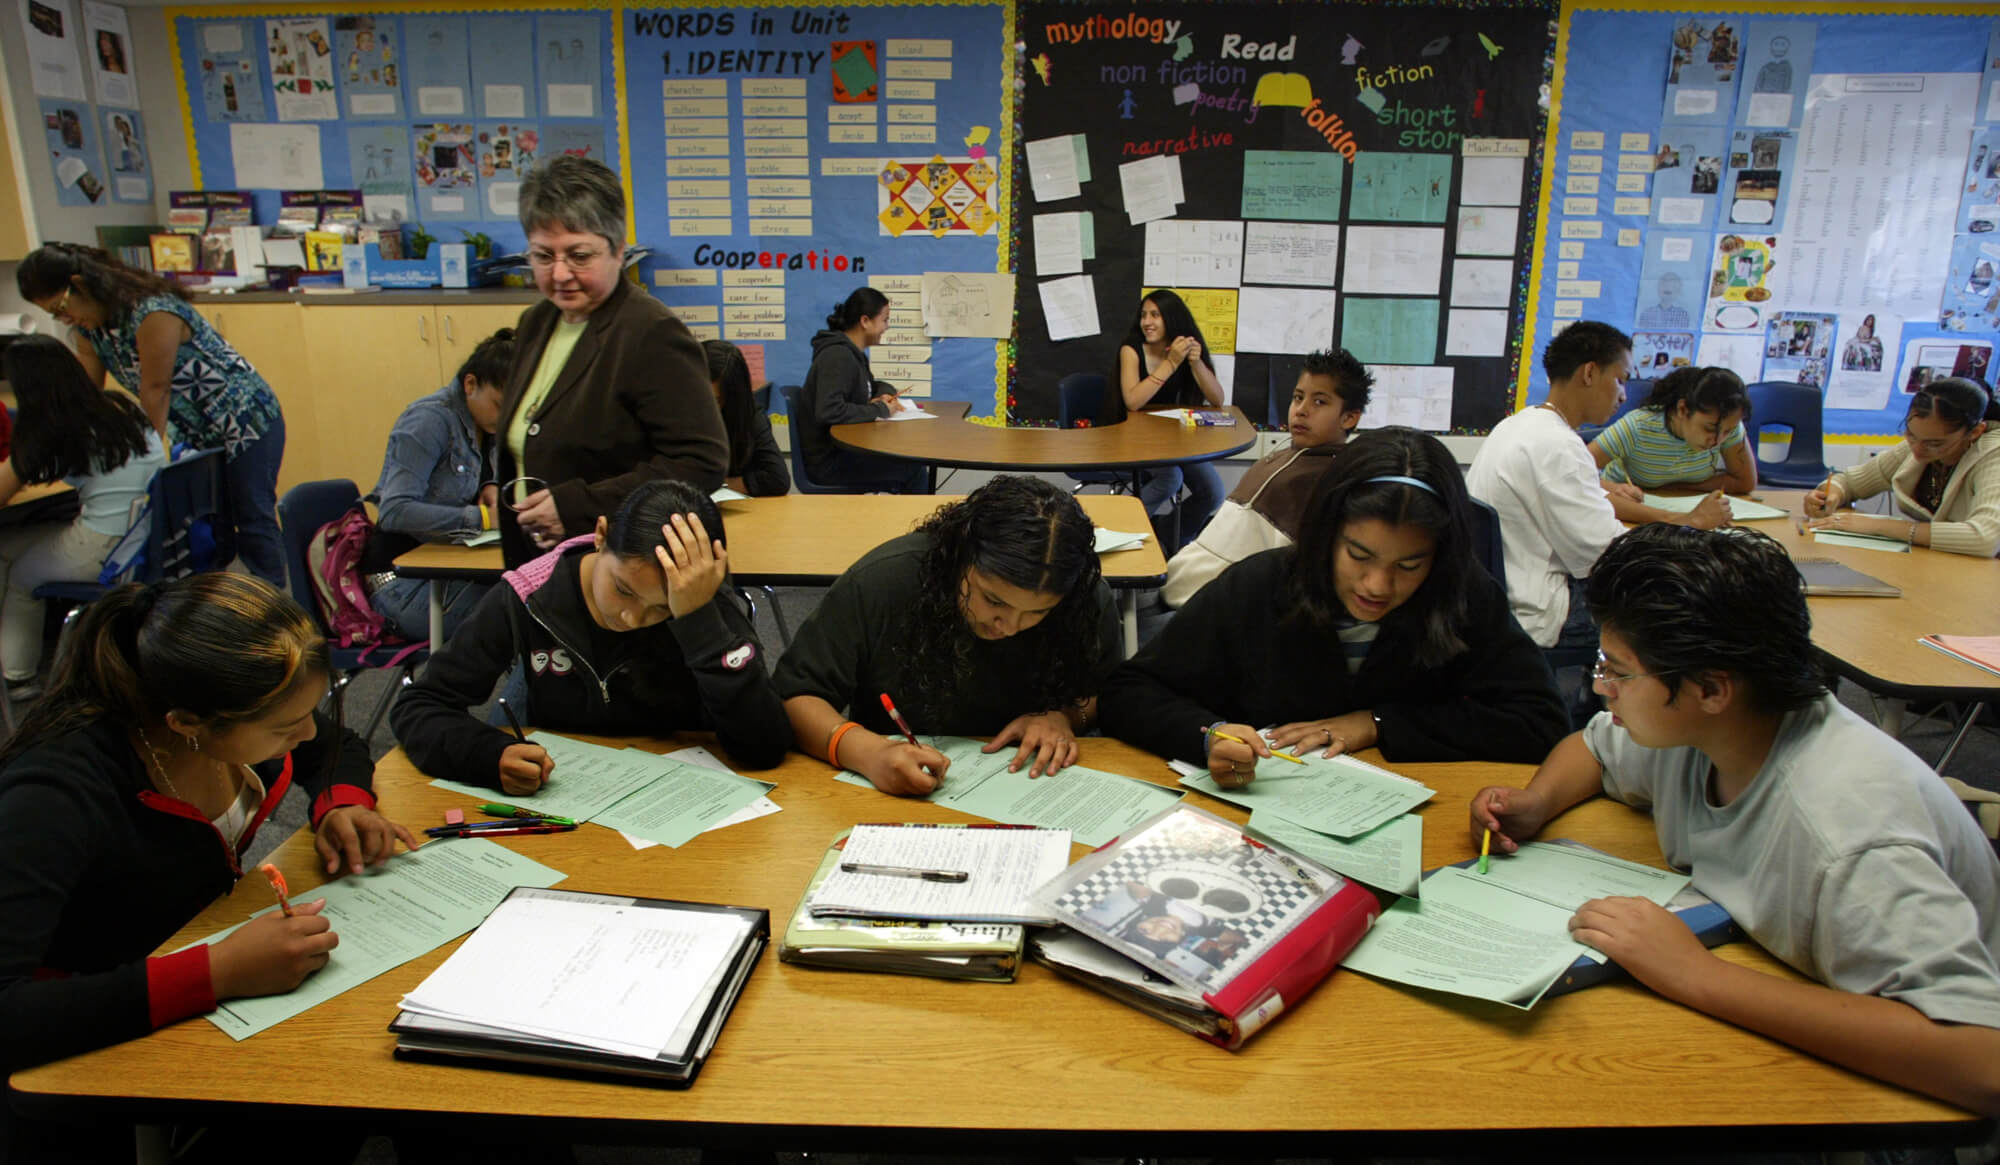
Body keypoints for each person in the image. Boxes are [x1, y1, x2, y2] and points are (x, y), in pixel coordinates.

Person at [1470, 525, 2000, 1116]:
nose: (1599, 688)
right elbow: (1592, 750)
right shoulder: (1705, 730)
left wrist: (1696, 976)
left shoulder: (1851, 835)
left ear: (1712, 689)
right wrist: (1538, 801)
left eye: (1617, 671)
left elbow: (1981, 1060)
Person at [0, 573, 417, 1077]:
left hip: (190, 946)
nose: (307, 732)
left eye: (309, 713)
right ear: (187, 725)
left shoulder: (225, 709)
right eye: (286, 728)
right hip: (93, 1032)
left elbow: (333, 745)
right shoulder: (53, 797)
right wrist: (216, 972)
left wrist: (341, 804)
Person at [1103, 428, 1566, 786]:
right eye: (1358, 555)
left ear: (1440, 558)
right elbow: (1128, 692)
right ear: (1327, 535)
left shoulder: (1463, 595)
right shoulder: (1261, 585)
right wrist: (1207, 735)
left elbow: (1541, 722)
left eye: (1409, 564)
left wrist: (1379, 724)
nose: (1377, 586)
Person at [392, 480, 788, 791]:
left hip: (681, 803)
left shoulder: (704, 602)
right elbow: (420, 706)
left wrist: (696, 620)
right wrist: (487, 755)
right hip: (566, 800)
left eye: (662, 608)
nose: (632, 617)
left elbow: (764, 746)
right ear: (600, 535)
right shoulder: (533, 594)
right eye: (623, 590)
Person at [775, 475, 1121, 796]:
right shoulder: (883, 583)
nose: (1010, 626)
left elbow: (1107, 693)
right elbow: (796, 696)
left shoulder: (1083, 600)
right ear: (961, 556)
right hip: (892, 788)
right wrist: (867, 752)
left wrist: (1065, 716)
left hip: (1033, 788)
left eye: (1038, 612)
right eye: (993, 600)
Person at [497, 155, 726, 565]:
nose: (561, 274)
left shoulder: (649, 331)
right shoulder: (537, 322)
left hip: (614, 563)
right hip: (535, 560)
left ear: (619, 251)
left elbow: (701, 462)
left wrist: (576, 505)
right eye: (543, 256)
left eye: (579, 255)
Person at [17, 242, 288, 584]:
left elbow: (155, 390)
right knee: (210, 527)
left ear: (79, 284)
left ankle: (278, 609)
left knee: (251, 516)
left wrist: (138, 459)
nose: (65, 319)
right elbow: (86, 397)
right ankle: (225, 611)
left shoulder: (151, 311)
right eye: (55, 316)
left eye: (61, 307)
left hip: (245, 419)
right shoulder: (89, 331)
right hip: (193, 430)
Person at [1468, 321, 1727, 653]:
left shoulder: (1517, 424)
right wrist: (1690, 526)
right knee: (1680, 605)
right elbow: (1607, 557)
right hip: (1540, 611)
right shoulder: (1558, 443)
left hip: (1503, 595)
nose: (1623, 394)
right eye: (1619, 379)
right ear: (1589, 373)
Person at [0, 336, 165, 692]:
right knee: (7, 544)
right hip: (142, 537)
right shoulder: (119, 407)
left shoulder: (53, 427)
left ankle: (16, 678)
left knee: (19, 576)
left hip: (104, 547)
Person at [1162, 348, 1370, 608]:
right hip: (1177, 584)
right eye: (1298, 397)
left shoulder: (1329, 483)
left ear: (1349, 417)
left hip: (1209, 608)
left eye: (1320, 402)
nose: (1301, 410)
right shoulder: (1285, 453)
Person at [366, 326, 513, 642]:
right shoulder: (429, 420)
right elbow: (394, 510)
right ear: (470, 384)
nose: (505, 421)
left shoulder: (484, 423)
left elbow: (480, 476)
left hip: (447, 570)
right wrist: (484, 519)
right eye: (500, 406)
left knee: (536, 599)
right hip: (399, 585)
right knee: (521, 621)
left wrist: (491, 484)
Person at [1805, 376, 2000, 556]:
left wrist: (1878, 526)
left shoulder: (1993, 455)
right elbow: (1849, 481)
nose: (1917, 449)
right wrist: (1830, 495)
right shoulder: (1916, 446)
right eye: (1910, 435)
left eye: (1935, 443)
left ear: (1975, 432)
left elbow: (1985, 538)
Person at [1114, 289, 1227, 552]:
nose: (1147, 322)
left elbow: (1218, 399)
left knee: (1213, 492)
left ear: (1171, 318)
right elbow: (1133, 401)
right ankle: (1121, 531)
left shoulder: (1184, 347)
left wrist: (1196, 363)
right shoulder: (1131, 349)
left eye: (1155, 315)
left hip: (1173, 441)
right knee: (1170, 479)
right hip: (1133, 438)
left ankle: (1165, 538)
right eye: (1143, 315)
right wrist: (1170, 363)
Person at [795, 288, 928, 494]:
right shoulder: (837, 356)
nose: (887, 327)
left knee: (907, 461)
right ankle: (922, 525)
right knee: (913, 470)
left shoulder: (853, 355)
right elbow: (829, 411)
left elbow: (871, 387)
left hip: (844, 451)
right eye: (884, 320)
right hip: (828, 463)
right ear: (865, 321)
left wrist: (886, 393)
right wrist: (880, 410)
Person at [1588, 364, 1757, 526]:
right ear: (1683, 409)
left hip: (1677, 506)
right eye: (1709, 428)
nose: (1717, 441)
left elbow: (1745, 482)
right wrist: (1614, 487)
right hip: (1629, 510)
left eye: (1727, 432)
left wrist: (1677, 485)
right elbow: (1575, 473)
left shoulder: (1726, 424)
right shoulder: (1638, 426)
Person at [704, 339, 789, 497]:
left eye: (714, 400)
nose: (703, 407)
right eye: (698, 395)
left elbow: (777, 479)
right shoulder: (671, 413)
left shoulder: (749, 415)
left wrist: (718, 484)